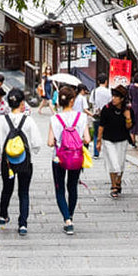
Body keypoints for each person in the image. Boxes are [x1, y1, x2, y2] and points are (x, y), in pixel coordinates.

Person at [46, 82, 91, 234]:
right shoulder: (82, 117)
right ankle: (70, 214)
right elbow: (87, 139)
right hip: (76, 158)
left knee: (59, 189)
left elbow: (50, 142)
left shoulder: (55, 119)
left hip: (58, 158)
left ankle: (67, 219)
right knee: (72, 187)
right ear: (72, 100)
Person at [0, 88, 37, 236]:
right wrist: (31, 151)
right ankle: (23, 224)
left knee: (7, 188)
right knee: (24, 192)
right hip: (24, 161)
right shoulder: (28, 120)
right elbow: (37, 143)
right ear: (22, 103)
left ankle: (3, 215)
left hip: (7, 162)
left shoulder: (1, 120)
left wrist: (3, 154)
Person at [96, 84, 134, 196]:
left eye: (116, 97)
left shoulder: (127, 110)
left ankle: (118, 182)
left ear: (122, 99)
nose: (113, 99)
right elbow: (101, 126)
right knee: (112, 162)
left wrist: (128, 118)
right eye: (113, 96)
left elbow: (129, 127)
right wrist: (98, 141)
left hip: (122, 139)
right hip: (108, 139)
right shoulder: (106, 109)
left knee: (120, 162)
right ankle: (113, 186)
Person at [90, 74, 112, 157]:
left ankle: (96, 153)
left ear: (98, 81)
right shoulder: (109, 91)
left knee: (96, 133)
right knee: (106, 134)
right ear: (106, 81)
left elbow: (92, 102)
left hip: (97, 115)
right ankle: (108, 152)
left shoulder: (94, 91)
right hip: (107, 115)